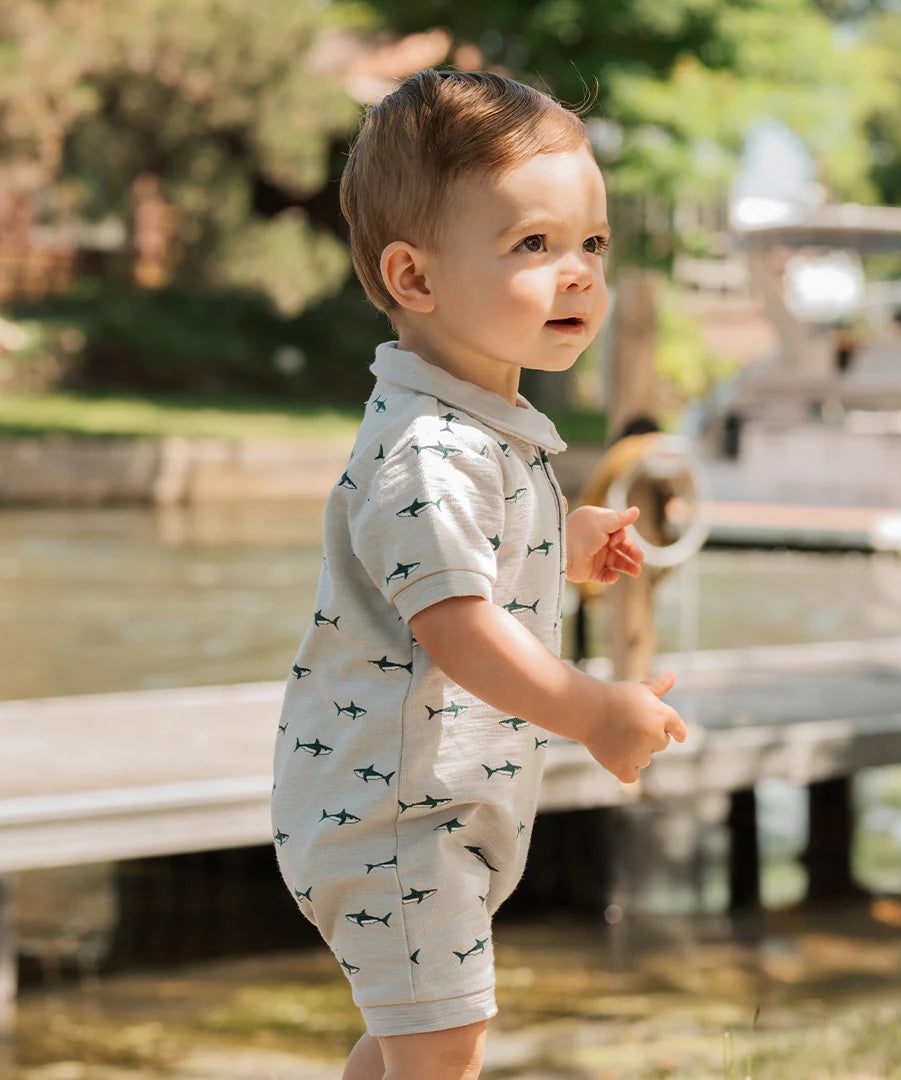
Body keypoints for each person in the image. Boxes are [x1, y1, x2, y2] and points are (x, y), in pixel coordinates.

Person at [271, 68, 687, 1080]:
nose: (580, 272)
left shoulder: (476, 433)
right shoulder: (437, 449)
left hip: (427, 804)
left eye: (591, 243)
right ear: (416, 280)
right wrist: (592, 708)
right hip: (399, 814)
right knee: (442, 1045)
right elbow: (455, 627)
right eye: (533, 245)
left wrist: (563, 541)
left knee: (411, 1038)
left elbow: (459, 570)